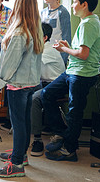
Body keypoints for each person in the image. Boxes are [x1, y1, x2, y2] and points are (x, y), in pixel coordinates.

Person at [42, 0, 100, 162]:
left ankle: (69, 150)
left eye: (75, 2)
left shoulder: (89, 24)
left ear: (84, 4)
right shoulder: (88, 21)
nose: (73, 5)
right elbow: (82, 50)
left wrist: (64, 48)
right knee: (47, 94)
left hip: (82, 74)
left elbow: (83, 55)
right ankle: (63, 134)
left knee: (74, 113)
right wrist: (69, 46)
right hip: (73, 71)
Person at [0, 0, 44, 178]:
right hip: (32, 84)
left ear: (19, 7)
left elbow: (9, 64)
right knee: (25, 122)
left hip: (17, 85)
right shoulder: (36, 30)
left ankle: (15, 164)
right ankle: (20, 155)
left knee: (18, 124)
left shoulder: (19, 33)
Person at [30, 22, 65, 157]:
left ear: (44, 38)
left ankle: (37, 140)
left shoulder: (47, 50)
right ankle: (24, 132)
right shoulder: (41, 47)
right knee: (22, 91)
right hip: (43, 83)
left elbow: (30, 65)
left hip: (55, 86)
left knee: (34, 99)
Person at [41, 0, 71, 65]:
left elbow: (66, 37)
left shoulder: (62, 12)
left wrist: (63, 61)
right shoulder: (42, 12)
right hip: (44, 55)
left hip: (57, 57)